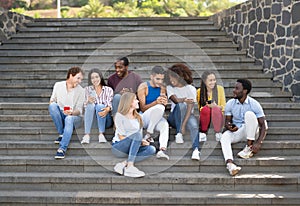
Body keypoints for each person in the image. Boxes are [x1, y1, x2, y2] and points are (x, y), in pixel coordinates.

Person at [220, 79, 268, 176]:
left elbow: (264, 125)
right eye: (234, 88)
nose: (234, 90)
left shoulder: (254, 104)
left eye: (237, 88)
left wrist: (259, 142)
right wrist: (229, 126)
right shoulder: (230, 103)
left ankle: (249, 146)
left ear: (245, 91)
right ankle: (230, 164)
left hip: (252, 131)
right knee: (224, 136)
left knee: (249, 114)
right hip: (239, 131)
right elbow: (227, 121)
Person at [111, 92, 156, 177]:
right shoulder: (119, 116)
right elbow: (121, 137)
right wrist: (138, 139)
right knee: (137, 135)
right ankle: (130, 167)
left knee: (151, 149)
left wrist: (142, 142)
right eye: (135, 99)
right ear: (129, 102)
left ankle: (124, 163)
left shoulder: (138, 117)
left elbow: (138, 137)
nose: (138, 101)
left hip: (132, 147)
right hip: (119, 147)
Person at [165, 63, 200, 161]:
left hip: (188, 116)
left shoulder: (191, 89)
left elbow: (190, 108)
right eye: (170, 78)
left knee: (194, 125)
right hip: (174, 117)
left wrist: (183, 125)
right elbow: (175, 100)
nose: (171, 80)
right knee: (181, 105)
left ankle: (196, 150)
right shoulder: (170, 88)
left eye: (173, 78)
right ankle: (178, 133)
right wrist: (184, 100)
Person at [49, 66, 85, 159]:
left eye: (81, 79)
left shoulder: (81, 90)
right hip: (62, 114)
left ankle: (62, 148)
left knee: (69, 118)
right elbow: (52, 100)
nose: (80, 81)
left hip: (75, 118)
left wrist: (72, 112)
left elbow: (79, 110)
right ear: (71, 76)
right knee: (52, 106)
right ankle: (62, 133)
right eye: (78, 78)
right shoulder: (58, 85)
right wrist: (61, 110)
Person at [137, 66, 170, 160]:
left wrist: (164, 103)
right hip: (144, 117)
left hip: (155, 119)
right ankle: (148, 134)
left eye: (162, 79)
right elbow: (142, 108)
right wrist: (156, 102)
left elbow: (162, 108)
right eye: (157, 79)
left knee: (165, 125)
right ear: (151, 77)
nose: (160, 81)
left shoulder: (162, 87)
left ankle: (162, 150)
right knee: (159, 107)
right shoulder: (143, 86)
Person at [81, 68, 113, 144]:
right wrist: (87, 101)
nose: (95, 79)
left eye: (97, 77)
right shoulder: (86, 90)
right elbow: (83, 108)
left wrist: (107, 109)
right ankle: (86, 135)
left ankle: (101, 134)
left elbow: (109, 104)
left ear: (100, 77)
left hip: (105, 119)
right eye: (92, 78)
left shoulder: (108, 90)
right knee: (90, 105)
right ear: (90, 80)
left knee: (100, 106)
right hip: (92, 120)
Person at [197, 71, 226, 142]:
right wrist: (208, 106)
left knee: (215, 109)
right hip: (205, 118)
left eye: (214, 80)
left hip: (218, 117)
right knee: (205, 109)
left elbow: (224, 107)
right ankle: (203, 132)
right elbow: (199, 109)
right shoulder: (199, 91)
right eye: (210, 80)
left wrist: (216, 106)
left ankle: (218, 132)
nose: (213, 82)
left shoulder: (220, 89)